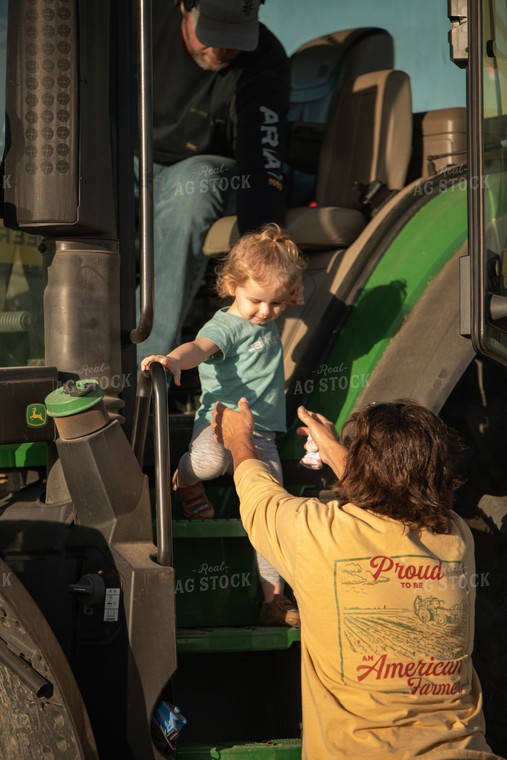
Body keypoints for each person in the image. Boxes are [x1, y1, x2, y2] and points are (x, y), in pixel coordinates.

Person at [211, 397, 505, 760]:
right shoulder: (457, 538)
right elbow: (395, 492)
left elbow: (259, 498)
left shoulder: (317, 533)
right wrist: (333, 447)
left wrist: (239, 437)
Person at [141, 223, 305, 626]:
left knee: (270, 514)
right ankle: (183, 479)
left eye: (277, 304)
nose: (266, 312)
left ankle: (273, 601)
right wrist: (175, 360)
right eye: (257, 301)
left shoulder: (265, 312)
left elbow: (282, 292)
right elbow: (199, 347)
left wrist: (287, 293)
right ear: (232, 285)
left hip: (262, 436)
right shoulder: (226, 325)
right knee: (211, 463)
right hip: (221, 421)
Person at [137, 0, 291, 365]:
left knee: (196, 181)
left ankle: (142, 366)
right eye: (210, 35)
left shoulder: (264, 59)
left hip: (199, 170)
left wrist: (263, 259)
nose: (219, 49)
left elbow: (262, 164)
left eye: (232, 37)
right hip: (128, 157)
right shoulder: (139, 22)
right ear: (183, 7)